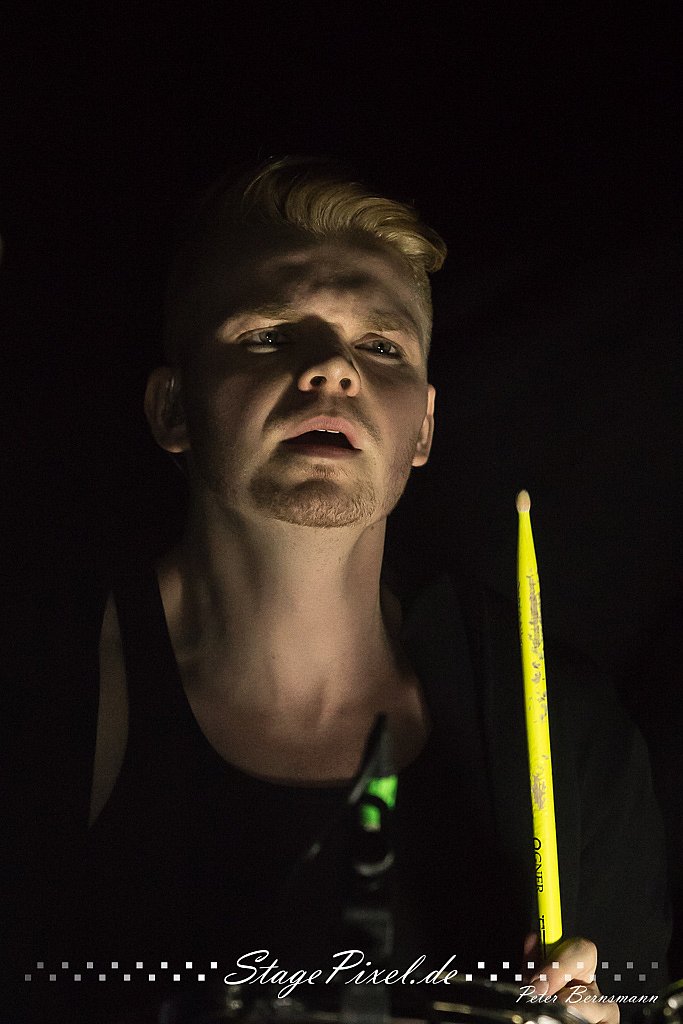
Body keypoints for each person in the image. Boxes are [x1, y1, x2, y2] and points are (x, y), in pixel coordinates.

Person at [7, 157, 670, 1023]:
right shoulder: (39, 692)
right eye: (269, 336)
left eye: (380, 346)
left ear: (422, 427)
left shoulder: (564, 728)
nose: (331, 369)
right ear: (173, 408)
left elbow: (634, 998)